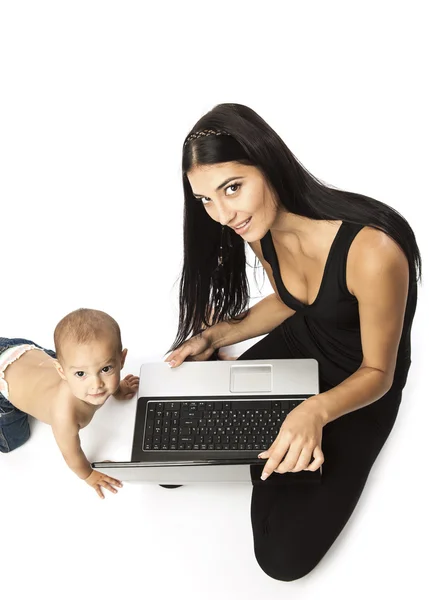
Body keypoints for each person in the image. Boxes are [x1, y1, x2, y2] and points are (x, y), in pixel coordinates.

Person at [165, 104, 421, 580]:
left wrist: (313, 412)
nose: (222, 215)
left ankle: (272, 439)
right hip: (305, 338)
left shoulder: (373, 250)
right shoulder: (256, 226)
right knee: (172, 459)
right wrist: (217, 335)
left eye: (232, 188)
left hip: (359, 377)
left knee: (282, 559)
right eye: (205, 200)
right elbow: (295, 297)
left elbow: (379, 374)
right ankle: (265, 437)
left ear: (269, 164)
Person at [0, 308, 139, 498]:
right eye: (81, 374)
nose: (96, 384)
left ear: (121, 360)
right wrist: (89, 474)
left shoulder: (87, 377)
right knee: (13, 441)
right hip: (4, 379)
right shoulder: (65, 415)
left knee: (75, 356)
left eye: (106, 368)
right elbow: (71, 454)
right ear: (62, 371)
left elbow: (94, 373)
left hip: (22, 350)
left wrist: (119, 388)